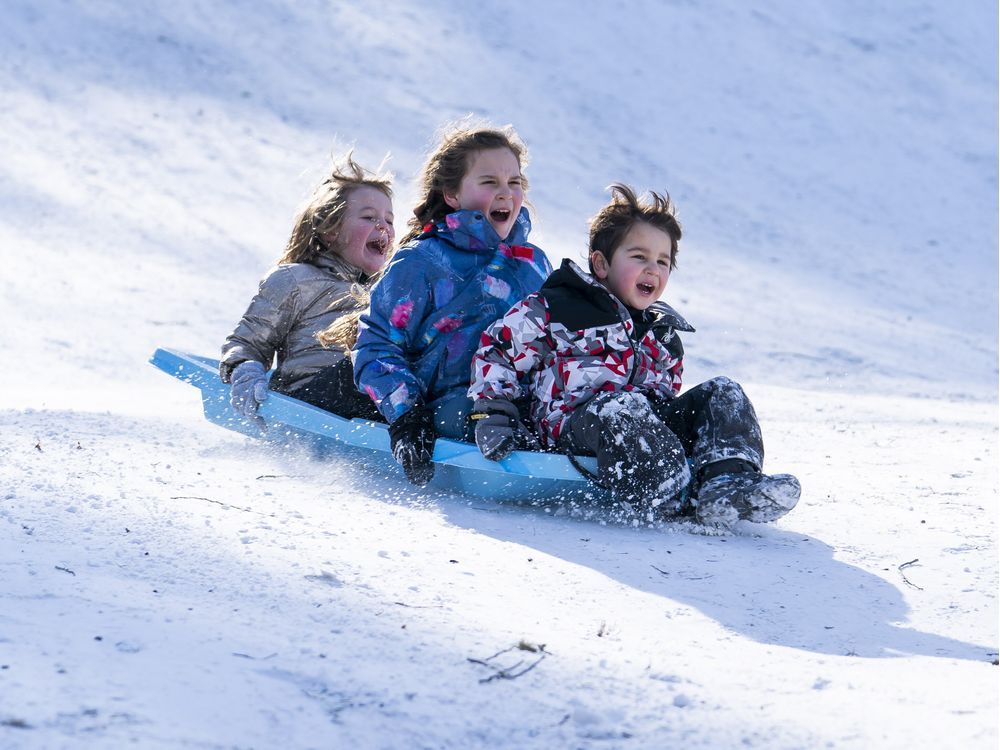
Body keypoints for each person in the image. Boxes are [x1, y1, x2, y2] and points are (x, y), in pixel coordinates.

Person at [468, 183, 800, 528]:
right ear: (600, 263)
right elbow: (498, 351)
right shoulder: (558, 308)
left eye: (663, 261)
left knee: (724, 391)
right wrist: (494, 413)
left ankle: (726, 483)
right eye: (639, 257)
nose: (653, 269)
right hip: (575, 426)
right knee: (622, 405)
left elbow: (666, 391)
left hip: (641, 429)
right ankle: (673, 492)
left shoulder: (662, 332)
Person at [353, 122, 553, 485]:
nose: (506, 193)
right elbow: (377, 345)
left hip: (517, 401)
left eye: (514, 183)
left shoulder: (533, 263)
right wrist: (407, 415)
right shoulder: (421, 263)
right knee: (467, 413)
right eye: (489, 182)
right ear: (451, 194)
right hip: (447, 405)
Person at [219, 153, 394, 423]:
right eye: (369, 217)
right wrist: (246, 371)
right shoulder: (295, 279)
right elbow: (247, 343)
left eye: (389, 220)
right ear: (330, 231)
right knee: (368, 363)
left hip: (367, 398)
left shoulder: (386, 290)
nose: (383, 226)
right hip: (309, 398)